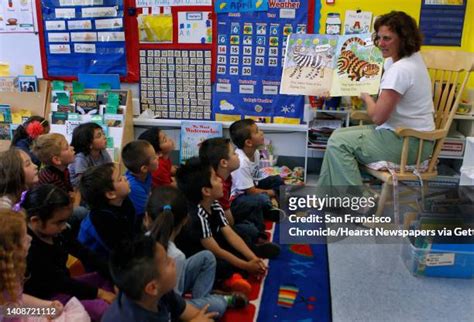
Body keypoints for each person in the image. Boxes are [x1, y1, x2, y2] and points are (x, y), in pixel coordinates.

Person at [318, 11, 435, 186]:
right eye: (379, 38)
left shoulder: (401, 69)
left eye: (387, 38)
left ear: (404, 38)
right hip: (406, 137)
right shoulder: (402, 60)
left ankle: (356, 203)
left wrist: (366, 97)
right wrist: (334, 88)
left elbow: (378, 117)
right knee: (337, 135)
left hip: (410, 143)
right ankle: (330, 201)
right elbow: (370, 84)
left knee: (338, 142)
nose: (380, 43)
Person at [146, 186, 248, 317]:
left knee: (207, 257)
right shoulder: (175, 256)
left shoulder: (140, 242)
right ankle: (212, 301)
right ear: (185, 220)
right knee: (219, 305)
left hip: (166, 295)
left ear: (147, 217)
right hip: (165, 306)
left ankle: (202, 301)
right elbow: (171, 303)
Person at [175, 157, 273, 293]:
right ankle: (227, 282)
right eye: (215, 178)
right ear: (206, 191)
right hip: (198, 255)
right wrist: (246, 265)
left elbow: (229, 233)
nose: (221, 180)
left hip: (213, 242)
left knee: (241, 237)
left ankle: (253, 255)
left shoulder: (214, 203)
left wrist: (252, 258)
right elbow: (216, 251)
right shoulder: (196, 215)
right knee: (223, 265)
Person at [22, 184, 115, 321]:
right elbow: (59, 282)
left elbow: (84, 253)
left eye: (65, 221)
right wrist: (100, 294)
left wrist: (115, 275)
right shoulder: (29, 248)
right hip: (48, 297)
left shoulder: (59, 232)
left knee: (107, 278)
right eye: (59, 222)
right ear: (35, 221)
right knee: (104, 310)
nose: (64, 226)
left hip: (64, 285)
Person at [102, 236, 218, 322]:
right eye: (167, 262)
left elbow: (192, 313)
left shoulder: (161, 291)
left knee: (218, 306)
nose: (173, 261)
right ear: (152, 287)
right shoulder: (131, 318)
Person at [199, 137, 281, 248]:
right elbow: (228, 221)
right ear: (224, 163)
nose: (237, 155)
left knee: (254, 204)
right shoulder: (218, 186)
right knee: (249, 226)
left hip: (229, 210)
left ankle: (258, 227)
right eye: (233, 154)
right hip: (221, 223)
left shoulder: (227, 177)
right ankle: (256, 237)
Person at [0, 209, 64, 321]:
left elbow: (13, 305)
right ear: (10, 250)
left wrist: (46, 308)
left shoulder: (8, 273)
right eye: (24, 237)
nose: (30, 238)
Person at [229, 119, 285, 223]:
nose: (261, 133)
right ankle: (269, 210)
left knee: (277, 180)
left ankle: (275, 207)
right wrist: (272, 192)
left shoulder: (255, 153)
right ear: (249, 142)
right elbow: (251, 192)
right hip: (239, 198)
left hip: (252, 185)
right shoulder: (241, 162)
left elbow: (255, 177)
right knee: (262, 199)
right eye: (257, 131)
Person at [78, 163, 136, 259]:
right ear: (110, 194)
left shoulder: (124, 201)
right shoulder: (101, 220)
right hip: (98, 263)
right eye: (120, 179)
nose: (125, 178)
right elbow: (120, 252)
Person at [122, 140, 159, 221]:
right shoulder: (133, 187)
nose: (158, 157)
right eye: (154, 157)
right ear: (144, 168)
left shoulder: (146, 173)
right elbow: (146, 211)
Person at [69, 123, 112, 188]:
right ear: (89, 144)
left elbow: (110, 170)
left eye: (103, 134)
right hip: (79, 188)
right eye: (99, 136)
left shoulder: (103, 152)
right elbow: (83, 181)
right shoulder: (81, 158)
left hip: (96, 184)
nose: (104, 137)